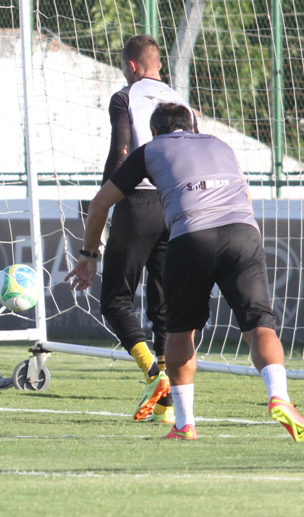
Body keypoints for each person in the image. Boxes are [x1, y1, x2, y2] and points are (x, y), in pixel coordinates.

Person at [66, 103, 304, 442]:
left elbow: (100, 203)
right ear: (194, 127)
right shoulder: (220, 144)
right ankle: (280, 396)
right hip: (243, 233)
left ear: (155, 131)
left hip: (192, 236)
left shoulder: (151, 148)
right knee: (260, 325)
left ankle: (184, 424)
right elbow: (245, 195)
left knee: (180, 333)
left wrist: (89, 254)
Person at [100, 35, 195, 424]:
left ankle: (154, 374)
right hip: (175, 204)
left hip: (136, 201)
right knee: (164, 303)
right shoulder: (180, 102)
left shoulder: (125, 97)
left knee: (115, 299)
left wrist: (107, 196)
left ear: (132, 66)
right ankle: (167, 406)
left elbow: (122, 151)